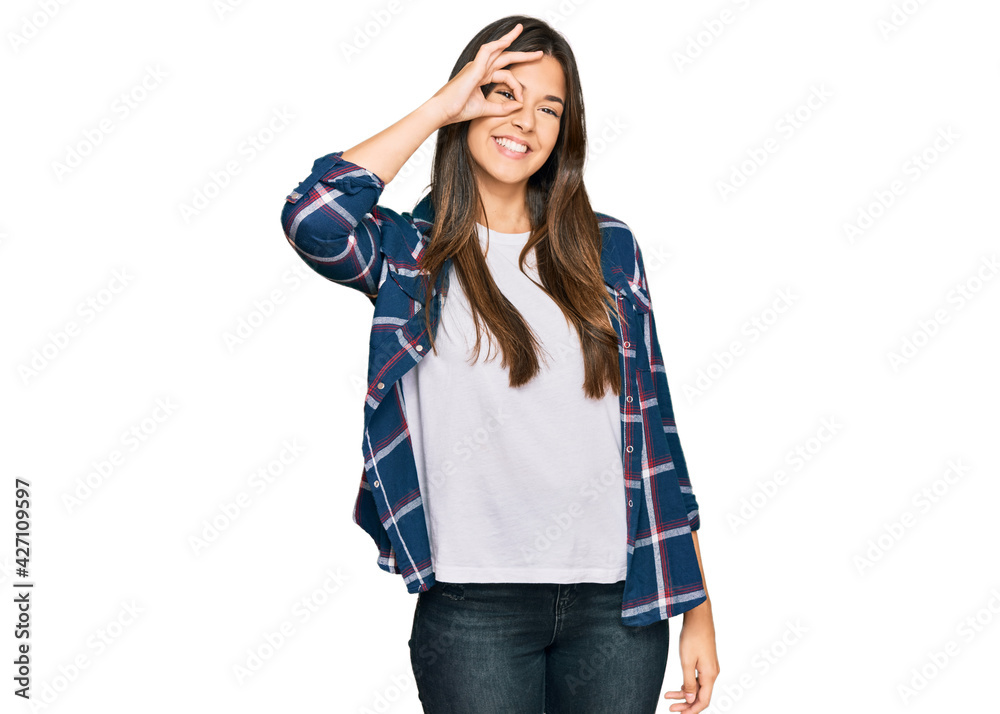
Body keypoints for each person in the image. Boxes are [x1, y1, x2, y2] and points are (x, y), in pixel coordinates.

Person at [279, 15, 719, 714]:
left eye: (550, 108)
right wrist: (439, 109)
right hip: (472, 606)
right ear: (466, 97)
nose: (526, 121)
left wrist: (697, 609)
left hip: (620, 607)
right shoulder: (408, 253)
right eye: (502, 93)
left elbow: (657, 435)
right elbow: (315, 217)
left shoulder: (609, 250)